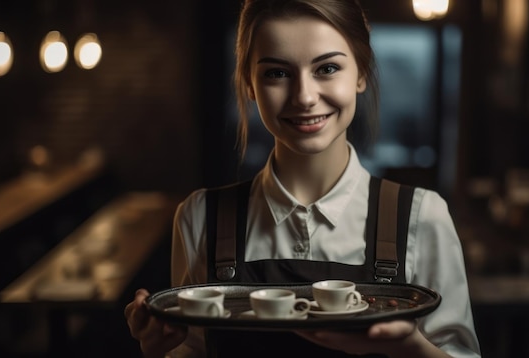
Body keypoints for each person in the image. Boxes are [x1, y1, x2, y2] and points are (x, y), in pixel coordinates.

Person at [125, 0, 482, 357]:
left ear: (361, 72)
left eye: (327, 68)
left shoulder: (422, 218)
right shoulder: (201, 216)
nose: (304, 96)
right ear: (249, 83)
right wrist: (156, 350)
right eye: (277, 73)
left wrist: (410, 347)